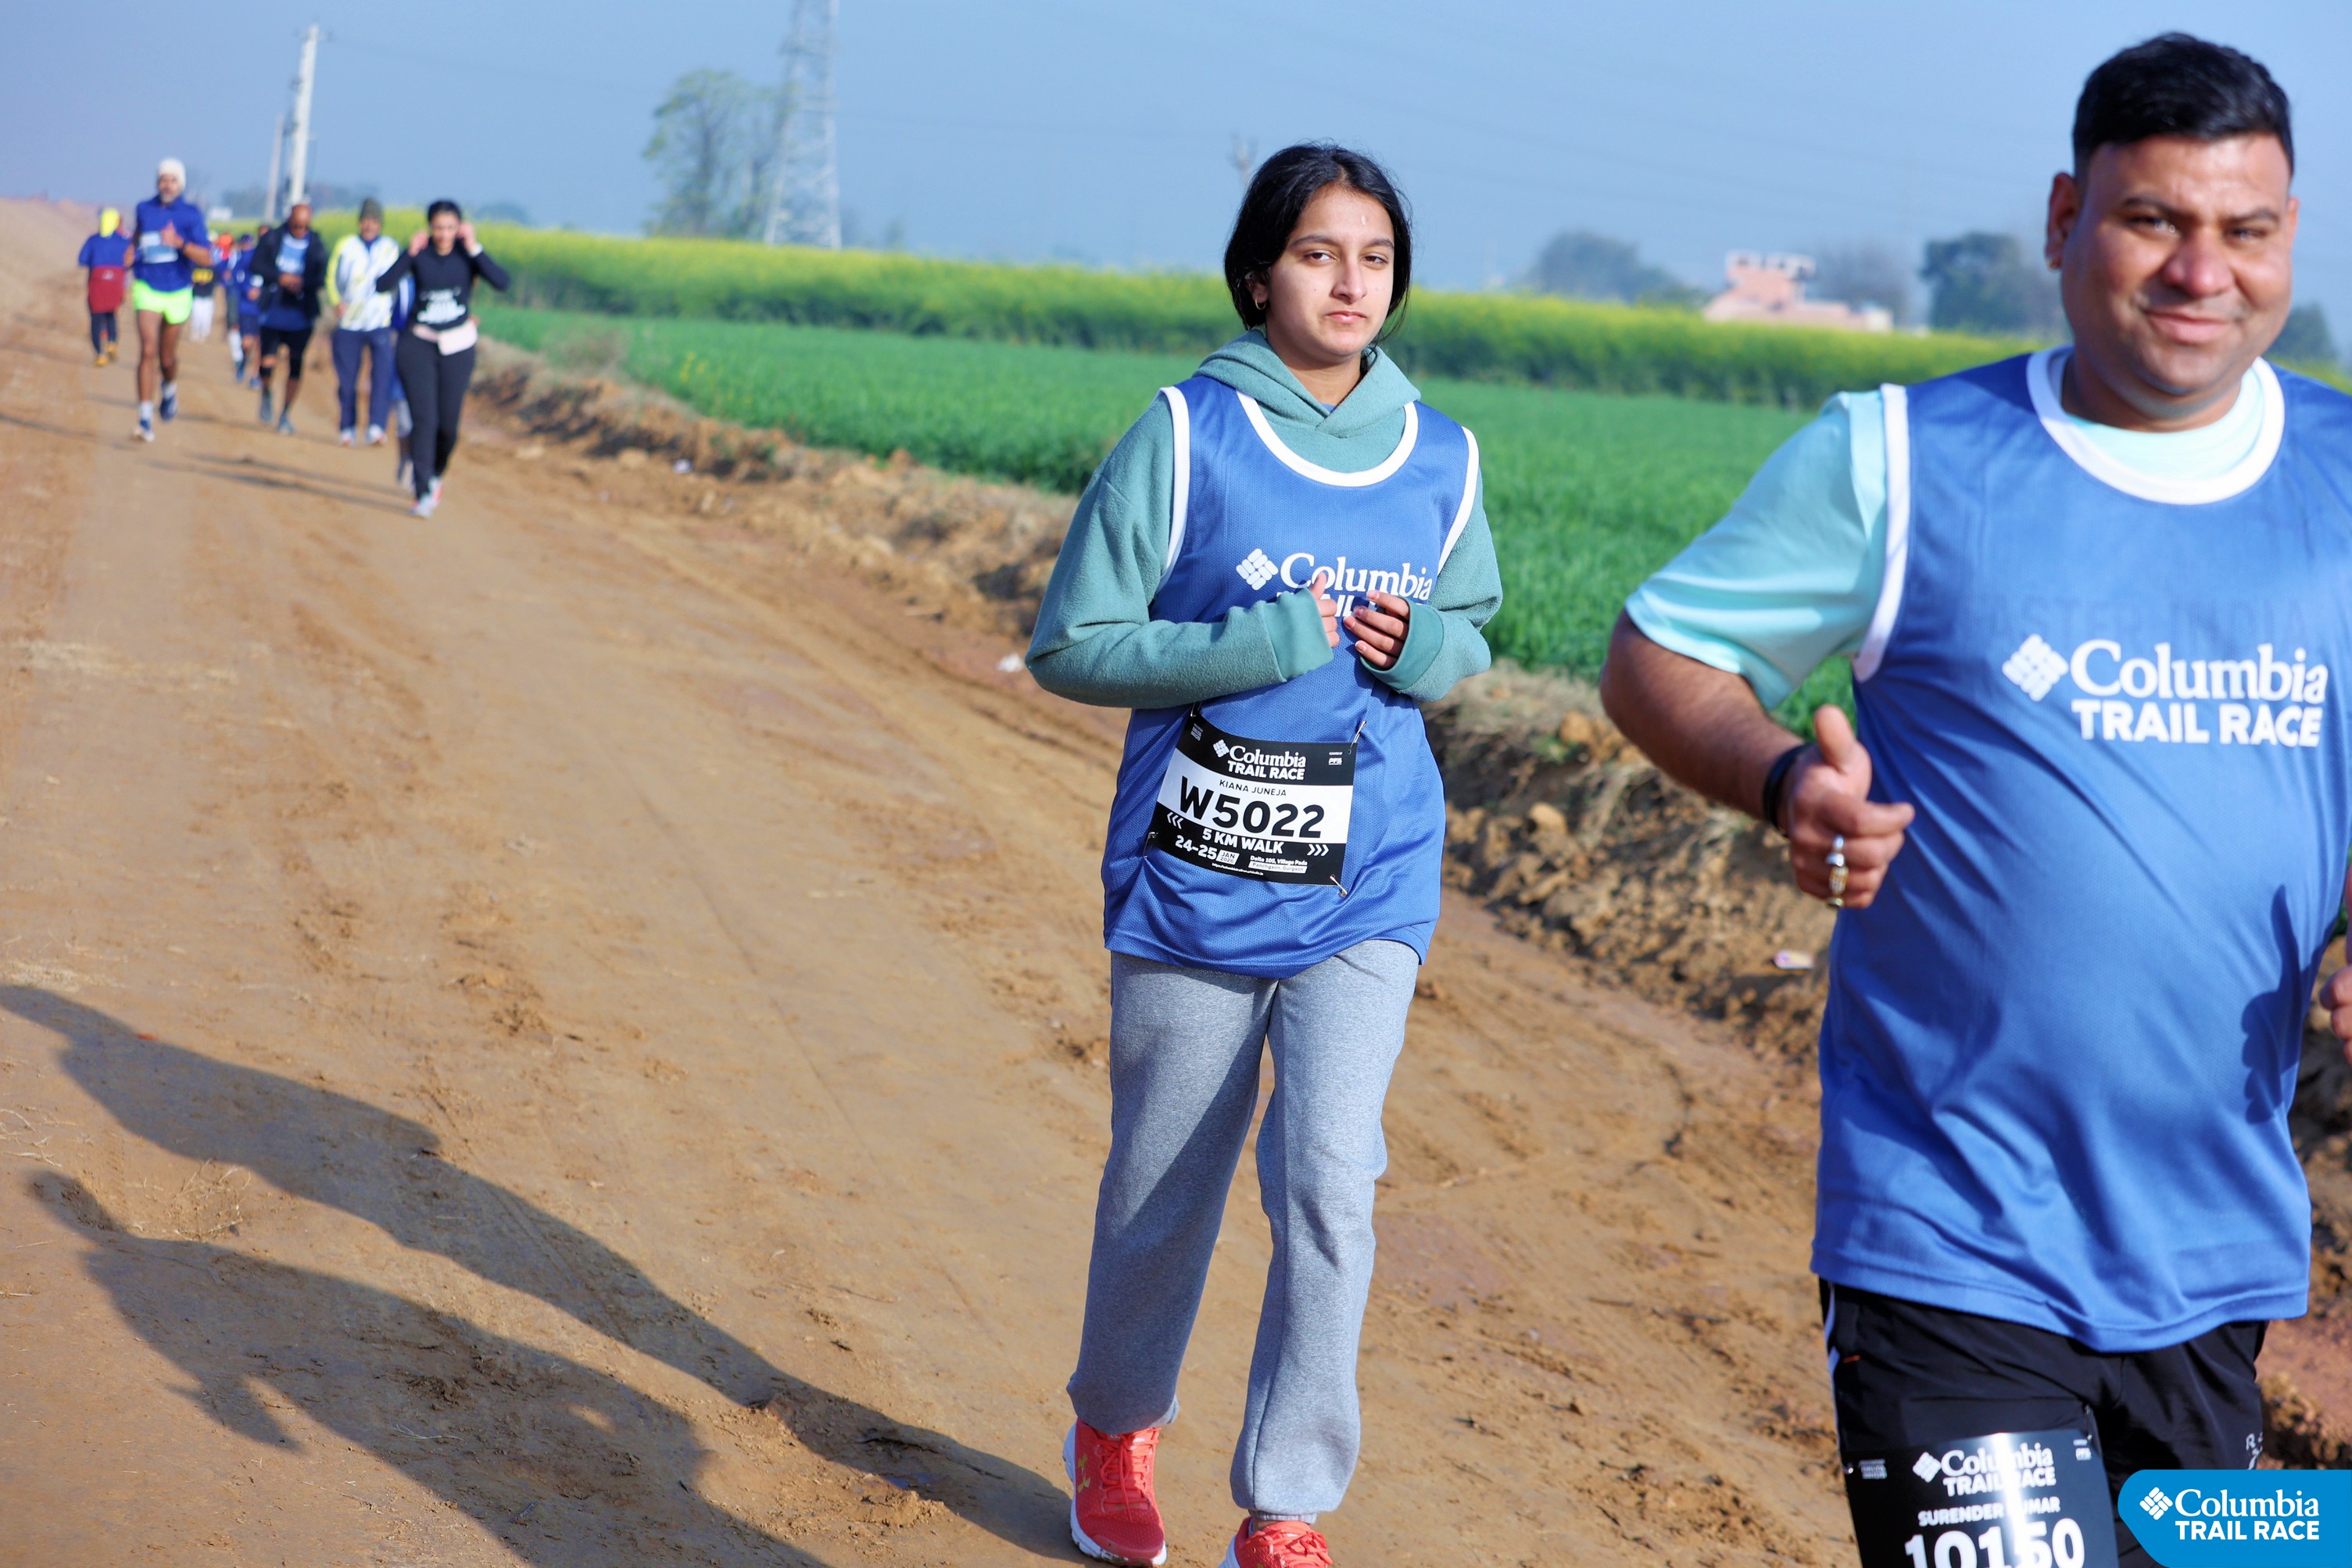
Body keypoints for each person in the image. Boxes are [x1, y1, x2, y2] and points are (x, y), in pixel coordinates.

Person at [1597, 34, 2352, 1568]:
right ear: (2065, 218)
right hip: (1946, 1236)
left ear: (2286, 237)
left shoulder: (2339, 478)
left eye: (2242, 229)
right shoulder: (1900, 459)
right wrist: (1784, 780)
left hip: (2218, 1256)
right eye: (2151, 220)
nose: (2199, 270)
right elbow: (1658, 651)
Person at [1026, 144, 1502, 1568]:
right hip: (1198, 869)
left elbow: (1472, 631)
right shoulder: (1186, 436)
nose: (1350, 282)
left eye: (1374, 257)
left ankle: (1287, 1499)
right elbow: (1072, 642)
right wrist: (1257, 643)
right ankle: (1115, 1431)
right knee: (1163, 1180)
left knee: (1329, 1176)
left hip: (1369, 875)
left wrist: (1424, 648)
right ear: (1256, 276)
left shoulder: (1442, 455)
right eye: (1316, 253)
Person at [370, 201, 510, 517]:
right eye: (438, 228)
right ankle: (421, 492)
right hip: (418, 345)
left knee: (448, 426)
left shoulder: (466, 256)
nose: (444, 235)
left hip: (457, 347)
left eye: (450, 228)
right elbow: (383, 285)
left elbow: (502, 283)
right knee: (424, 421)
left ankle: (434, 474)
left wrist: (474, 247)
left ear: (459, 228)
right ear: (430, 228)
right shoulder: (421, 255)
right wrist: (409, 253)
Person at [127, 159, 212, 441]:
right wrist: (130, 253)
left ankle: (169, 390)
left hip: (177, 290)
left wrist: (180, 243)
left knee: (166, 358)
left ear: (181, 184)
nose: (167, 185)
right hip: (147, 286)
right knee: (147, 351)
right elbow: (137, 238)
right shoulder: (144, 208)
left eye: (173, 180)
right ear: (157, 182)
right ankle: (144, 419)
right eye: (163, 179)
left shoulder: (190, 215)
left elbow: (207, 257)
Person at [327, 198, 403, 447]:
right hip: (349, 321)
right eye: (366, 220)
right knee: (347, 380)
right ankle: (347, 427)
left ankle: (376, 427)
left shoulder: (391, 248)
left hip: (381, 321)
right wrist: (336, 301)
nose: (370, 225)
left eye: (374, 221)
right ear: (360, 222)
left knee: (382, 376)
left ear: (380, 223)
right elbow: (332, 277)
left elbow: (401, 282)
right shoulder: (346, 246)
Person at [249, 201, 326, 434]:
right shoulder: (272, 238)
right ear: (289, 221)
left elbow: (321, 277)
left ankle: (285, 414)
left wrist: (302, 283)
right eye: (296, 225)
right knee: (267, 361)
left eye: (305, 226)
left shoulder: (317, 244)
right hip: (273, 312)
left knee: (295, 363)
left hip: (301, 315)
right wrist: (279, 278)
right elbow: (256, 265)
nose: (300, 230)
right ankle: (266, 392)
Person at [75, 208, 133, 366]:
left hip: (97, 280)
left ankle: (100, 354)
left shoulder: (93, 240)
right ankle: (112, 342)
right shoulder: (124, 241)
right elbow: (132, 259)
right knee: (111, 314)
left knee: (96, 318)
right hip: (116, 280)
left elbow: (82, 259)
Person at [230, 232, 263, 388]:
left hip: (264, 307)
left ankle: (256, 375)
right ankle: (243, 363)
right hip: (247, 307)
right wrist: (247, 289)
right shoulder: (247, 256)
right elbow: (236, 276)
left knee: (260, 343)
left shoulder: (274, 257)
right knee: (247, 342)